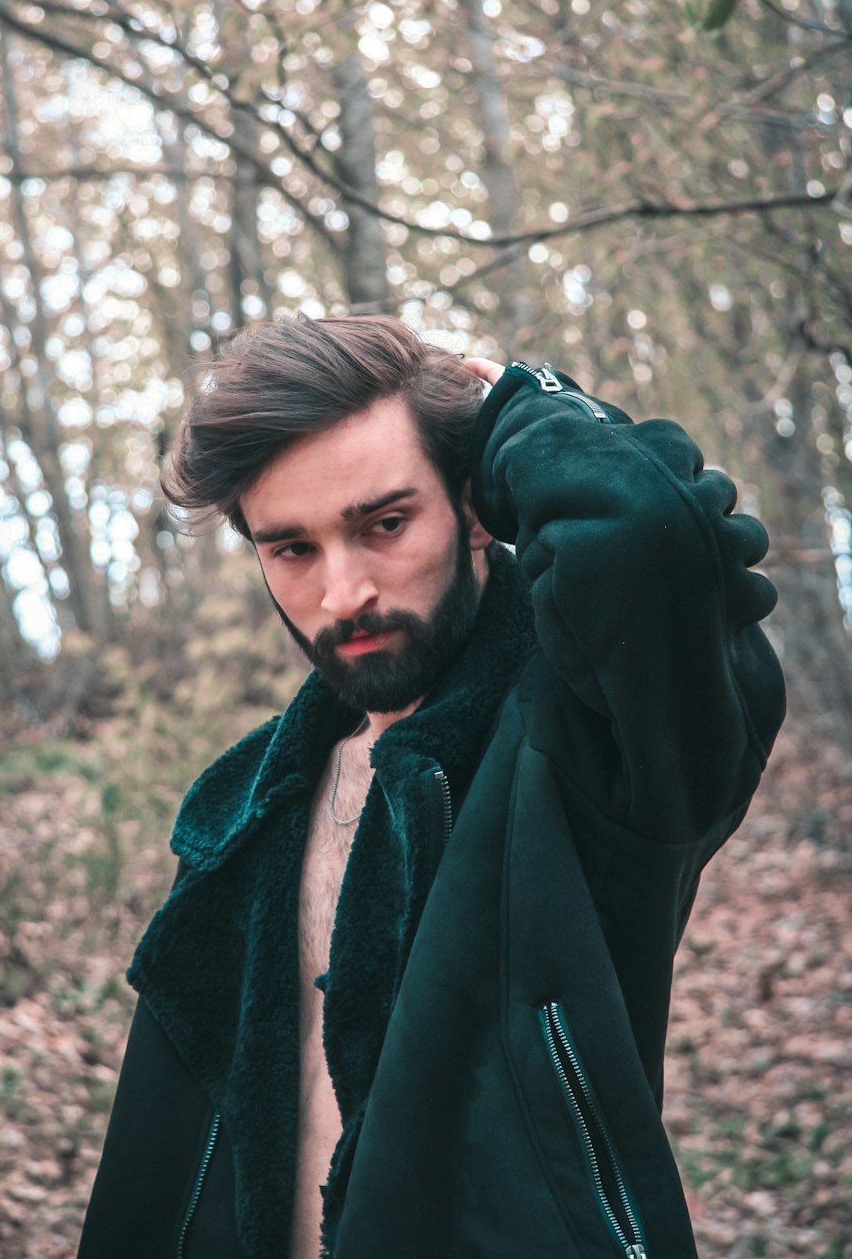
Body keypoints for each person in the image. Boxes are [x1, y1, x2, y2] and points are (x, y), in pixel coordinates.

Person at [78, 315, 785, 1259]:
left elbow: (653, 545)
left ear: (476, 506)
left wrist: (521, 406)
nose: (344, 593)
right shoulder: (245, 804)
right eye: (292, 549)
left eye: (385, 523)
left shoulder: (581, 749)